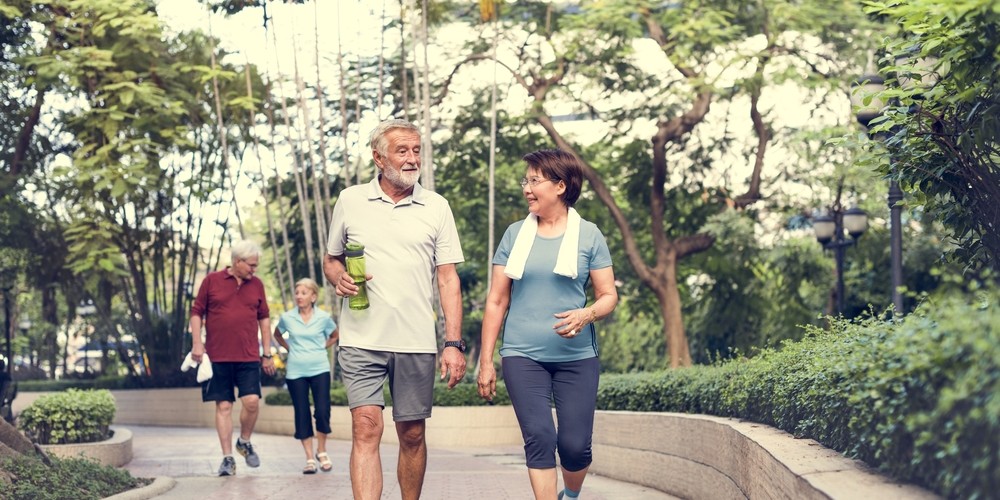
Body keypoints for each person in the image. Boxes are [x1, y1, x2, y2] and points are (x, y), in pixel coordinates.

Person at [323, 118, 466, 500]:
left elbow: (448, 278)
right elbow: (331, 259)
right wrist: (338, 278)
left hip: (416, 340)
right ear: (378, 157)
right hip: (361, 337)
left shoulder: (436, 206)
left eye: (416, 150)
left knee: (413, 434)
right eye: (402, 150)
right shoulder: (350, 200)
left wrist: (453, 342)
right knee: (366, 428)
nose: (411, 158)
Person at [477, 149, 619, 500]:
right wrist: (485, 360)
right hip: (522, 354)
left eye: (534, 180)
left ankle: (570, 494)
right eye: (526, 180)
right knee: (539, 437)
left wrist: (587, 314)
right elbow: (496, 300)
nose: (527, 187)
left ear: (560, 185)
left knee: (574, 447)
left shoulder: (589, 235)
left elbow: (607, 295)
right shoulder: (514, 235)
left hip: (577, 357)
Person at [189, 240, 276, 477]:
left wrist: (267, 353)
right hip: (217, 356)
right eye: (251, 265)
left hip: (248, 355)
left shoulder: (256, 285)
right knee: (224, 405)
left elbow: (264, 319)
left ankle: (244, 441)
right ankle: (228, 458)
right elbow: (196, 313)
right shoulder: (212, 281)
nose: (254, 269)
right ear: (237, 262)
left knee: (251, 402)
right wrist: (197, 343)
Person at [272, 278, 339, 474]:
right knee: (301, 413)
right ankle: (309, 457)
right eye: (297, 292)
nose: (299, 296)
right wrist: (289, 348)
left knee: (322, 411)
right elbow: (277, 334)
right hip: (295, 371)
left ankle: (322, 450)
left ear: (313, 296)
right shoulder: (287, 317)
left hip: (320, 368)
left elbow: (335, 335)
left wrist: (321, 347)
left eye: (303, 292)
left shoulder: (324, 318)